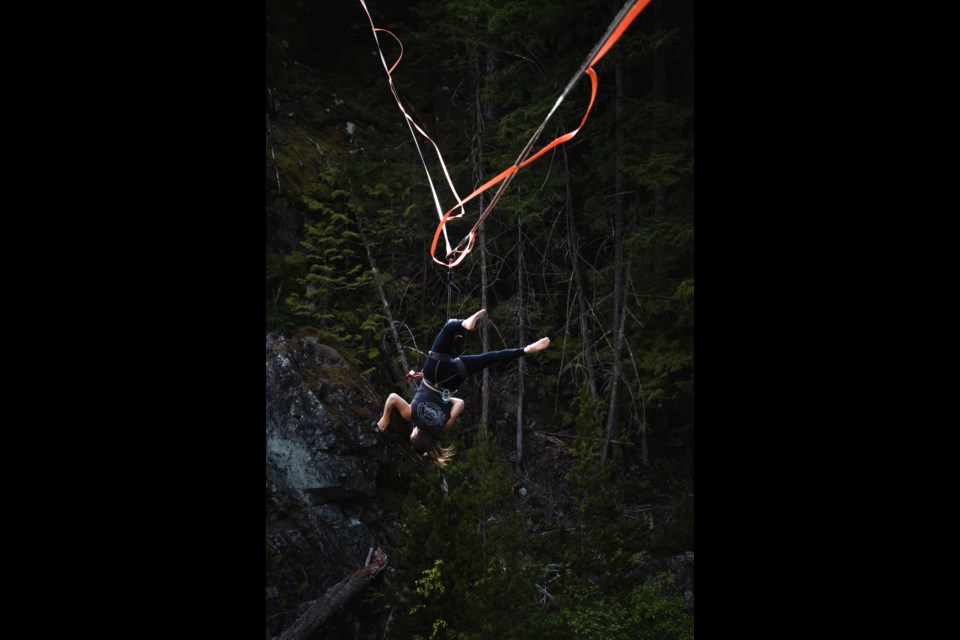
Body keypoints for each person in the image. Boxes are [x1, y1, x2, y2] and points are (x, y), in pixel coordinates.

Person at [377, 308, 550, 467]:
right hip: (432, 373)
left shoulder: (442, 426)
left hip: (454, 377)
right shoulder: (409, 415)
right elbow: (392, 397)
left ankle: (526, 349)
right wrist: (386, 418)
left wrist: (445, 400)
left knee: (489, 358)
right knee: (449, 327)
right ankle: (464, 323)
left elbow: (460, 403)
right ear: (415, 435)